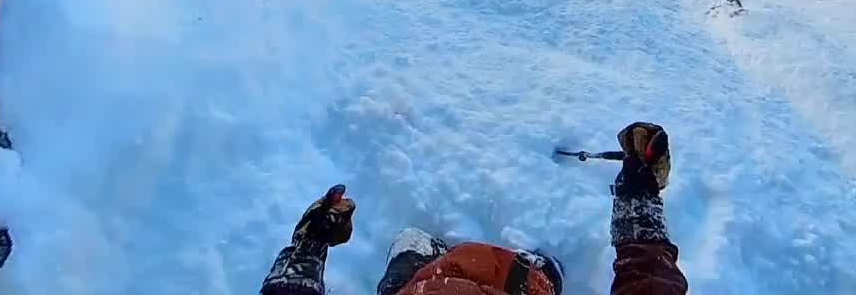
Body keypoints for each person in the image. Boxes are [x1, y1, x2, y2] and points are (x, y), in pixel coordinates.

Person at [260, 122, 688, 295]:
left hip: (420, 288)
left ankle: (425, 255)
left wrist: (308, 247)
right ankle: (540, 269)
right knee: (537, 273)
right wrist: (640, 202)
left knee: (411, 247)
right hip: (514, 282)